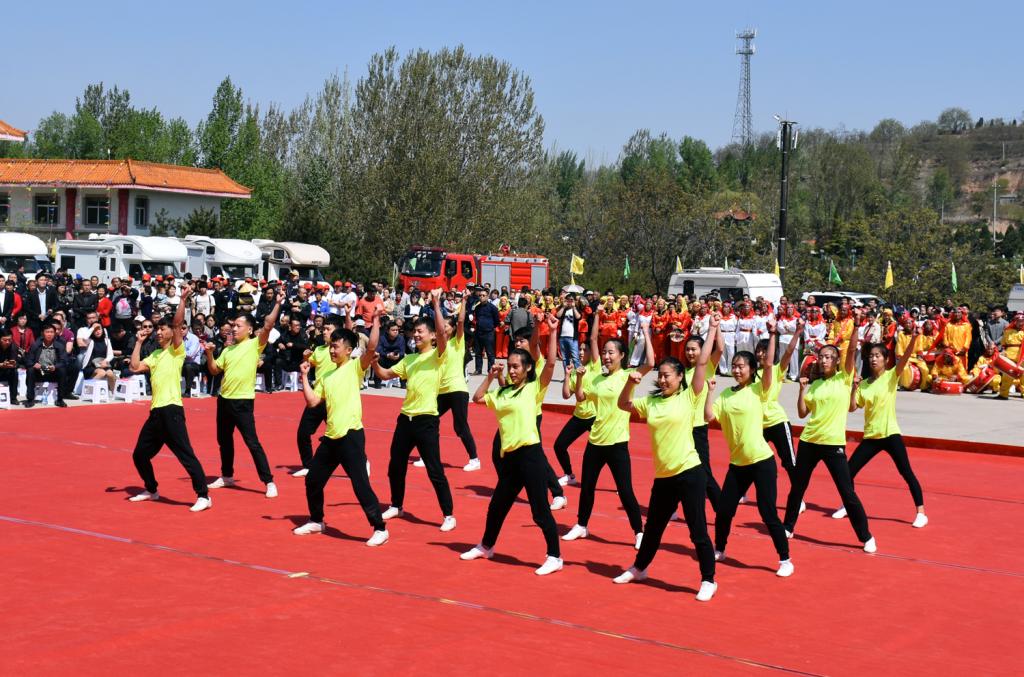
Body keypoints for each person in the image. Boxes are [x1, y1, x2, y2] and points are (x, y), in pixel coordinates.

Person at [611, 323, 718, 601]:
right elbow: (624, 405)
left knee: (697, 531)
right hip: (664, 477)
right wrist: (630, 383)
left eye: (667, 375)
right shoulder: (652, 402)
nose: (662, 380)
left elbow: (702, 362)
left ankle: (708, 579)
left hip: (689, 471)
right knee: (653, 529)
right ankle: (639, 568)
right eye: (660, 376)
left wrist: (713, 329)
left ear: (680, 377)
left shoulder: (689, 397)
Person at [460, 315, 563, 575]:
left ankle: (555, 556)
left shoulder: (533, 389)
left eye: (517, 366)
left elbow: (551, 363)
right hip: (510, 460)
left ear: (527, 368)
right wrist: (491, 376)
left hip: (531, 457)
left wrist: (552, 332)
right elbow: (477, 398)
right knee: (497, 506)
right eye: (510, 366)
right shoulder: (502, 393)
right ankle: (486, 546)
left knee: (539, 511)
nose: (512, 370)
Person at [704, 322, 794, 577]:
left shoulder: (758, 390)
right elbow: (709, 416)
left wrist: (773, 334)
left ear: (752, 369)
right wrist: (710, 392)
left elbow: (770, 365)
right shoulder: (725, 395)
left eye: (742, 366)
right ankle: (720, 549)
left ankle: (785, 559)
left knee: (767, 512)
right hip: (738, 464)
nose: (736, 369)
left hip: (762, 461)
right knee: (724, 510)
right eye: (734, 365)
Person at [783, 310, 877, 553]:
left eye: (828, 357)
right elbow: (802, 413)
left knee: (847, 492)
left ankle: (866, 536)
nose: (823, 360)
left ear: (836, 361)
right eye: (821, 357)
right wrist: (801, 390)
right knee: (798, 487)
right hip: (809, 441)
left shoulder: (844, 378)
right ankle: (788, 526)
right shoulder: (814, 384)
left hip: (833, 444)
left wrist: (857, 327)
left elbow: (852, 349)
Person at [561, 307, 655, 548]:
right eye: (604, 352)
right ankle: (581, 525)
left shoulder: (628, 376)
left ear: (621, 355)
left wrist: (646, 331)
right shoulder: (597, 379)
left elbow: (651, 363)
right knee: (587, 488)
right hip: (595, 441)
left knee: (625, 490)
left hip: (617, 443)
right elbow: (580, 397)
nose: (606, 356)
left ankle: (639, 532)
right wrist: (579, 378)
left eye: (611, 352)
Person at [291, 317, 388, 546]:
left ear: (348, 350)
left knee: (360, 484)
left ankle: (380, 528)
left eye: (336, 346)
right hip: (331, 437)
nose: (332, 350)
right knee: (313, 480)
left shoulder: (355, 367)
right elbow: (313, 402)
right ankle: (317, 520)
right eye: (331, 346)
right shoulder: (327, 376)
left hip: (351, 435)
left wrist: (375, 320)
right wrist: (304, 376)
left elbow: (372, 347)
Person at [373, 288, 457, 532]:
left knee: (434, 469)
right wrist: (375, 362)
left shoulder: (438, 355)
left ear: (432, 336)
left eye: (421, 332)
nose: (416, 335)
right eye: (415, 332)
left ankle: (448, 514)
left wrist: (437, 303)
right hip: (405, 419)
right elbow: (385, 374)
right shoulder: (409, 359)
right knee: (395, 465)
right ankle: (396, 505)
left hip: (426, 420)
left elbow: (442, 332)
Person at [831, 327, 928, 528]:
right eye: (871, 356)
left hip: (890, 434)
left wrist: (914, 338)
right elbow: (852, 407)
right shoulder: (864, 384)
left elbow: (905, 357)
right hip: (871, 437)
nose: (873, 359)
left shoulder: (892, 376)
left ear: (885, 359)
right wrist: (854, 389)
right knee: (848, 472)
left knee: (906, 472)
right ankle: (848, 505)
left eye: (878, 356)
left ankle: (921, 513)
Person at [126, 285, 211, 512]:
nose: (159, 332)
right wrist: (138, 342)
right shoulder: (154, 354)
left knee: (186, 455)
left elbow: (177, 323)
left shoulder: (176, 351)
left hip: (172, 410)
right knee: (139, 455)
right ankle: (151, 489)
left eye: (162, 329)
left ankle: (203, 495)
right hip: (156, 413)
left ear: (172, 333)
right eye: (158, 330)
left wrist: (182, 300)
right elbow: (134, 367)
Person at [203, 287, 285, 499]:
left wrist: (278, 303)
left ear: (249, 329)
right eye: (233, 326)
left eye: (238, 326)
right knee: (224, 440)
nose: (234, 329)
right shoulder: (227, 349)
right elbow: (214, 370)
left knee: (252, 443)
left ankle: (269, 481)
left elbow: (268, 324)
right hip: (224, 400)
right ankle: (227, 476)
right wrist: (210, 354)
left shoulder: (255, 345)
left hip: (243, 402)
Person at [430, 297, 480, 471]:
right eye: (442, 325)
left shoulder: (458, 342)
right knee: (428, 420)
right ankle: (427, 455)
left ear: (452, 329)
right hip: (441, 391)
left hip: (458, 390)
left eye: (447, 325)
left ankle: (474, 459)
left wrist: (464, 302)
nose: (444, 327)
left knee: (460, 426)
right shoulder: (438, 346)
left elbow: (460, 321)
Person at [292, 315, 344, 477]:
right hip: (316, 398)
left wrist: (348, 316)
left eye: (328, 329)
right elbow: (307, 364)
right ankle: (308, 465)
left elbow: (348, 331)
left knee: (342, 436)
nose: (324, 332)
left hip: (334, 400)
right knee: (303, 433)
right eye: (324, 329)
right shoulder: (319, 350)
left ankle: (362, 461)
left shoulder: (342, 351)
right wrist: (306, 358)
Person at [756, 319, 805, 488]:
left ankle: (798, 497)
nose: (761, 354)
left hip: (777, 422)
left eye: (764, 351)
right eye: (758, 351)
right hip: (757, 424)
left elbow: (789, 351)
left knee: (790, 462)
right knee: (750, 458)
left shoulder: (777, 370)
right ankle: (742, 492)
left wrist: (798, 332)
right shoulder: (751, 374)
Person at [683, 325, 724, 511]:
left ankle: (722, 509)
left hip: (698, 428)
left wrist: (716, 327)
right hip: (682, 427)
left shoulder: (707, 367)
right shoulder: (682, 372)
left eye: (694, 349)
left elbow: (720, 348)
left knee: (704, 473)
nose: (690, 353)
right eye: (688, 349)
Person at [551, 334, 600, 486]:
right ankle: (569, 475)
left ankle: (621, 484)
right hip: (579, 416)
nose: (581, 352)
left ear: (591, 353)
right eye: (580, 349)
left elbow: (594, 339)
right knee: (559, 445)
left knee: (607, 452)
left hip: (595, 417)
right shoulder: (575, 371)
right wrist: (567, 375)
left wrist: (595, 318)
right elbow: (566, 395)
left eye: (585, 350)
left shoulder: (595, 366)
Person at [23, 322, 74, 408]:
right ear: (43, 333)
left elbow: (64, 361)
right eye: (47, 332)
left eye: (51, 332)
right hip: (39, 372)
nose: (49, 334)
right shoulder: (36, 345)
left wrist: (55, 367)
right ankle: (30, 399)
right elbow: (28, 360)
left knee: (62, 370)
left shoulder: (60, 346)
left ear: (54, 334)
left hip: (53, 372)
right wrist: (34, 364)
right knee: (30, 370)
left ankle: (60, 399)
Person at [81, 322, 117, 393]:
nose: (97, 331)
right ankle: (87, 390)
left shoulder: (107, 340)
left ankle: (114, 392)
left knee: (110, 373)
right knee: (102, 373)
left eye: (99, 329)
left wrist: (105, 361)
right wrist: (92, 327)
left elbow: (110, 354)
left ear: (102, 330)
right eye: (95, 330)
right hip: (90, 365)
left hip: (102, 364)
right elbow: (84, 338)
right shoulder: (90, 341)